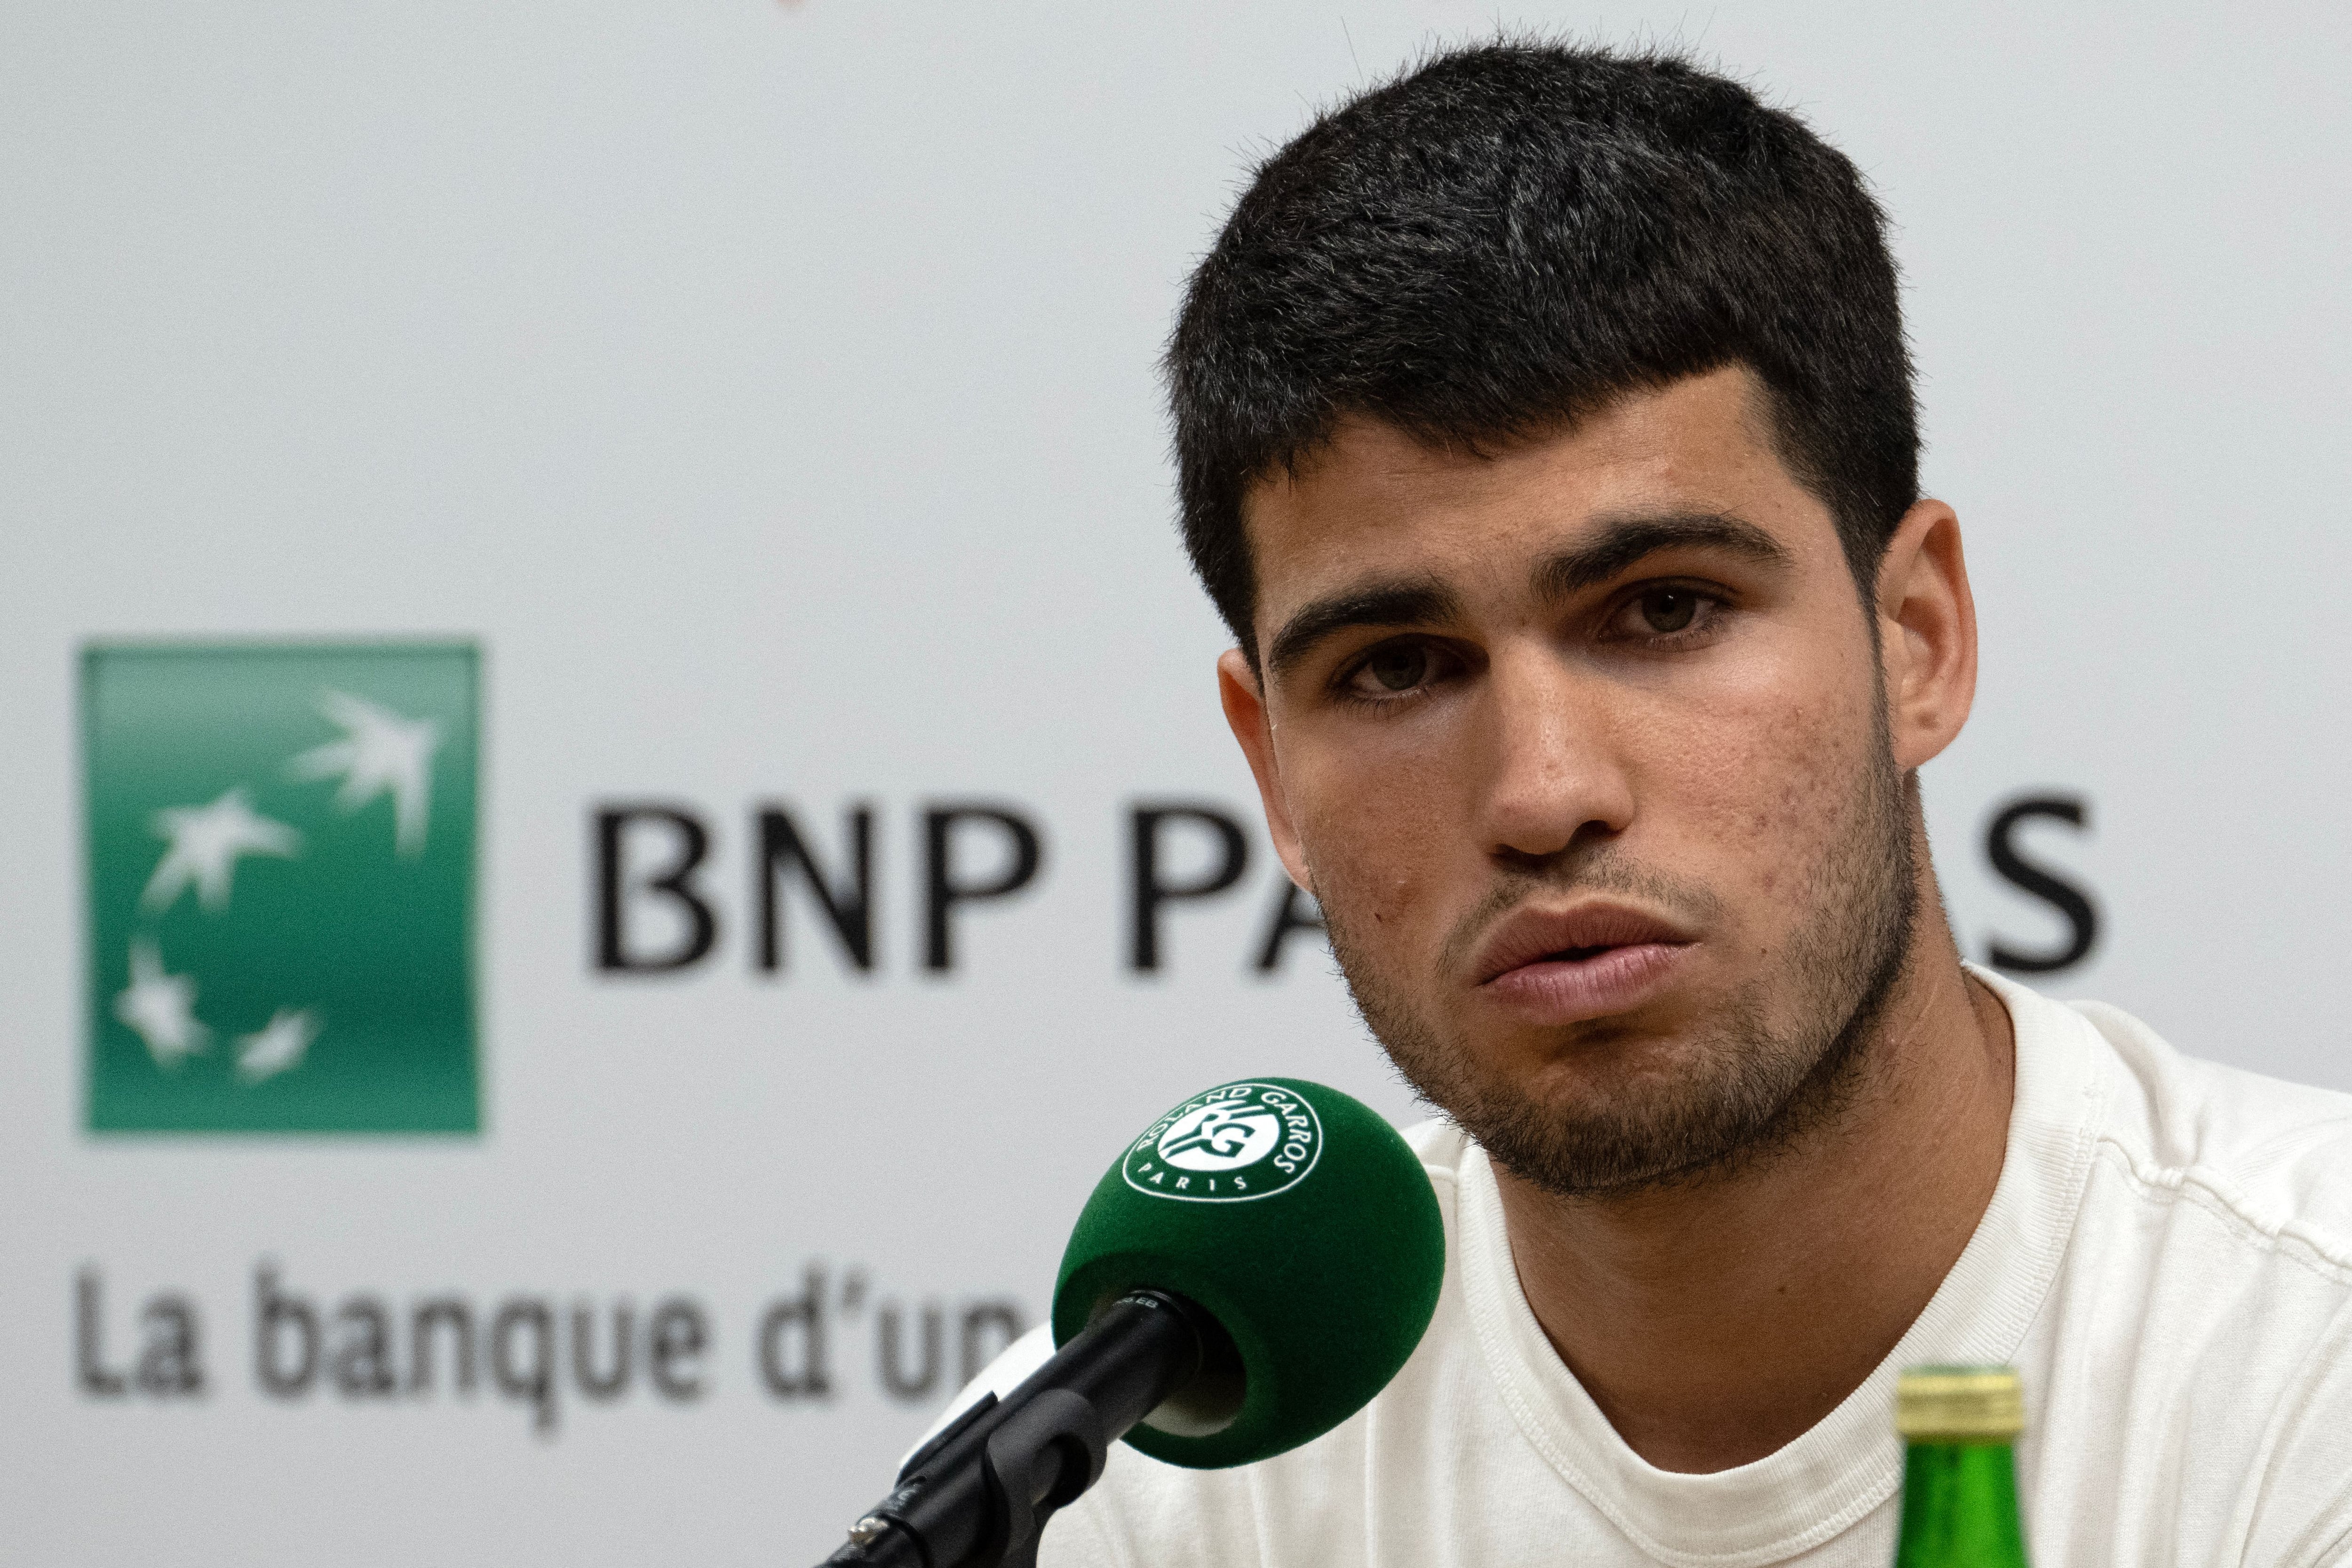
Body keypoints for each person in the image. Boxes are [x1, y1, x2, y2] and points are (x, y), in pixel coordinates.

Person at [960, 41, 2352, 1566]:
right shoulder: (1136, 1473)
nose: (1545, 796)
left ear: (1920, 640)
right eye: (1398, 667)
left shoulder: (2306, 1361)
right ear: (1271, 768)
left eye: (1666, 611)